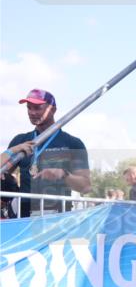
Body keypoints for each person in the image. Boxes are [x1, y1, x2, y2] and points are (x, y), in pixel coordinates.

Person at [4, 89, 91, 217]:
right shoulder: (20, 140)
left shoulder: (72, 143)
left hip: (56, 215)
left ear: (53, 109)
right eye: (29, 108)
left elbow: (85, 187)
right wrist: (13, 150)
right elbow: (3, 172)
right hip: (24, 215)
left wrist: (63, 175)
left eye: (38, 108)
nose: (32, 113)